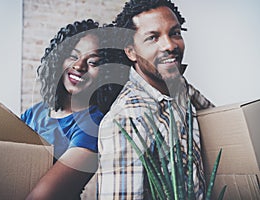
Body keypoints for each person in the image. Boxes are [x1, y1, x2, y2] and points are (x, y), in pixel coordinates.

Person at [97, 0, 214, 199]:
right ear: (131, 51)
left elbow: (220, 118)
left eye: (175, 33)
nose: (169, 45)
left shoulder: (180, 86)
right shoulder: (126, 119)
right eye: (153, 37)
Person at [21, 19, 128, 200]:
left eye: (93, 62)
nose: (79, 66)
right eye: (73, 56)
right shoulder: (36, 112)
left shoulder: (93, 126)